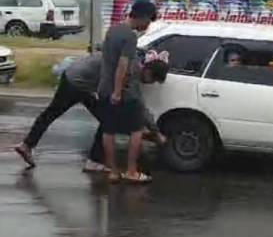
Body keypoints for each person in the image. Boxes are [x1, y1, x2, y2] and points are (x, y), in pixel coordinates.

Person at [14, 51, 169, 171]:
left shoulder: (132, 62)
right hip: (79, 83)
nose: (151, 84)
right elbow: (139, 106)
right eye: (153, 80)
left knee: (51, 114)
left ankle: (27, 145)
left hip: (75, 76)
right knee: (108, 119)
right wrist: (155, 132)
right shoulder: (130, 74)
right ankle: (93, 162)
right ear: (148, 72)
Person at [98, 0, 158, 184]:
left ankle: (113, 171)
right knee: (136, 130)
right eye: (148, 21)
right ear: (142, 17)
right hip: (123, 91)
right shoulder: (130, 36)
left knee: (108, 130)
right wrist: (118, 91)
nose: (147, 26)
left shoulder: (112, 29)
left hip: (105, 88)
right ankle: (131, 171)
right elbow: (123, 65)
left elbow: (107, 60)